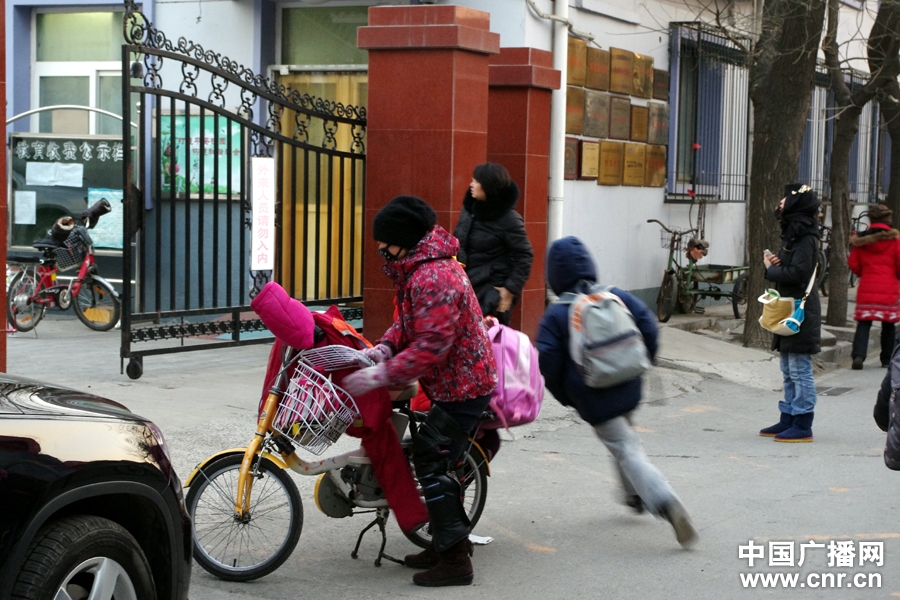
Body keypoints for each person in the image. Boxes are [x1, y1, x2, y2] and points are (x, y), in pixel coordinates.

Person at [341, 195, 497, 587]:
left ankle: (456, 561)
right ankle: (444, 544)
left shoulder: (434, 276)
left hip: (465, 386)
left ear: (404, 240)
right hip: (453, 383)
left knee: (432, 459)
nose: (380, 249)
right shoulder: (419, 269)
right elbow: (409, 324)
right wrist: (384, 347)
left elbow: (432, 345)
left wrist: (381, 375)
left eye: (385, 242)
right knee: (439, 459)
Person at [535, 236, 697, 548]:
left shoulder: (557, 315)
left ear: (554, 276)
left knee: (625, 446)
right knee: (624, 440)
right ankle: (634, 495)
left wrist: (568, 396)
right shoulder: (617, 296)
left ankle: (665, 501)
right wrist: (642, 362)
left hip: (593, 395)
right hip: (628, 383)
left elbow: (548, 363)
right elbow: (648, 327)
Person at [759, 184, 822, 442]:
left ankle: (803, 422)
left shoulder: (806, 237)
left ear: (797, 204)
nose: (780, 202)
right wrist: (779, 263)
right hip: (788, 306)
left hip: (800, 310)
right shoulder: (794, 234)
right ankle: (788, 417)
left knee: (799, 368)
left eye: (785, 199)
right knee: (787, 366)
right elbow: (794, 267)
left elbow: (800, 273)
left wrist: (770, 271)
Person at [453, 163, 534, 327]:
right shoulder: (470, 210)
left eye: (476, 181)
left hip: (491, 294)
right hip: (464, 287)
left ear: (488, 187)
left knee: (489, 346)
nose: (471, 185)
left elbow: (524, 256)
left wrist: (509, 290)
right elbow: (457, 242)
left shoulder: (509, 219)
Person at [848, 204, 900, 370]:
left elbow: (853, 264)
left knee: (864, 323)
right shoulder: (895, 241)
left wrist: (864, 272)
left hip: (867, 287)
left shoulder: (861, 241)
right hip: (889, 288)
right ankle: (886, 359)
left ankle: (858, 356)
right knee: (888, 325)